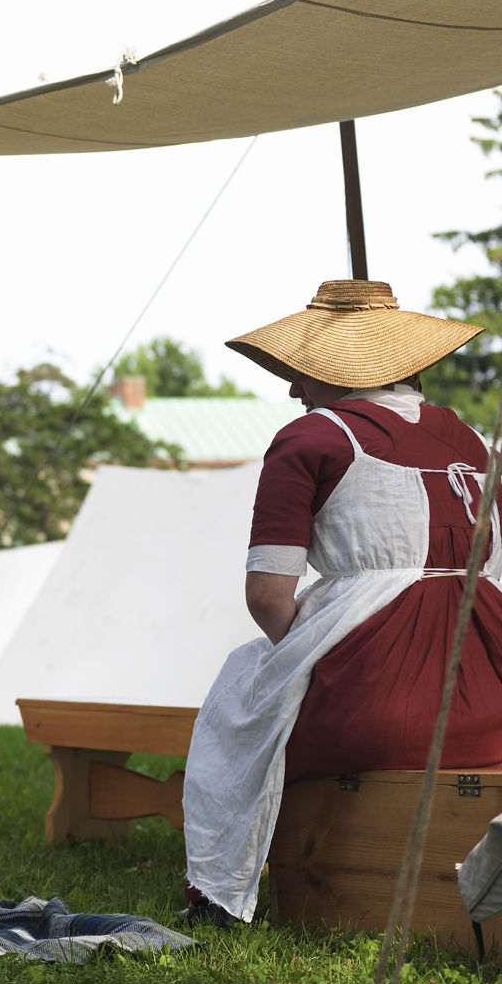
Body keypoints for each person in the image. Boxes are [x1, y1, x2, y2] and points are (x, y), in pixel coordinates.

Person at [182, 279, 499, 925]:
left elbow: (268, 595)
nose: (293, 390)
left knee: (242, 692)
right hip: (491, 687)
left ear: (338, 370)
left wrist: (319, 658)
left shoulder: (310, 439)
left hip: (373, 698)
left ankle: (219, 891)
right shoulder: (473, 442)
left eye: (301, 372)